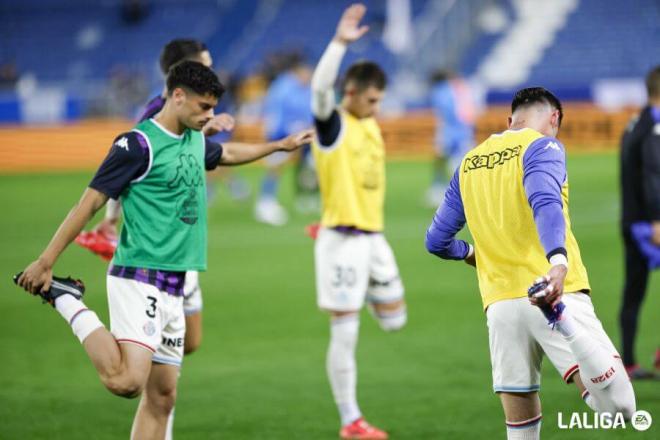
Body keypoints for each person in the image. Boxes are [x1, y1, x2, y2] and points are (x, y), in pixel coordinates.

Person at [16, 61, 313, 439]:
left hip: (175, 284)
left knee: (163, 399)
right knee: (126, 382)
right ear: (177, 96)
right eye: (204, 107)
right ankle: (66, 298)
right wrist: (45, 262)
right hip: (139, 275)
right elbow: (86, 205)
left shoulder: (192, 138)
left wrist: (278, 145)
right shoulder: (136, 145)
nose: (210, 115)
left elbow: (225, 155)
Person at [426, 87, 636, 439]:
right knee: (621, 410)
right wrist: (557, 262)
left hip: (500, 306)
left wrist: (471, 254)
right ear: (554, 118)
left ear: (510, 121)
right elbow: (545, 201)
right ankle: (564, 322)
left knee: (520, 428)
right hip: (553, 291)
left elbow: (436, 241)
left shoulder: (469, 162)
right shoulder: (544, 146)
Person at [86, 38, 237, 359]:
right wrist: (111, 219)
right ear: (182, 73)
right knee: (157, 358)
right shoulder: (155, 117)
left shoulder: (190, 112)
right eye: (205, 64)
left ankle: (157, 400)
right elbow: (127, 169)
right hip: (164, 247)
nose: (211, 69)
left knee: (189, 344)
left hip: (184, 239)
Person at [311, 4, 406, 439]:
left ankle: (360, 287)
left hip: (373, 241)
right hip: (344, 242)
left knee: (394, 319)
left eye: (378, 101)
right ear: (350, 93)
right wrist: (339, 43)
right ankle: (351, 420)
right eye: (370, 99)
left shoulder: (370, 124)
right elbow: (318, 89)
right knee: (345, 332)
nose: (375, 107)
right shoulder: (335, 126)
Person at [619, 64, 660, 379]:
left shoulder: (634, 122)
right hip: (649, 223)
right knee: (635, 290)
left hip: (630, 220)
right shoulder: (655, 127)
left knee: (634, 291)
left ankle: (629, 362)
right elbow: (653, 174)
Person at [255, 53, 313, 226]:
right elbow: (275, 113)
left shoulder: (305, 88)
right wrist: (281, 132)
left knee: (306, 166)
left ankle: (305, 197)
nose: (308, 76)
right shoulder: (283, 87)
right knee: (275, 168)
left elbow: (307, 110)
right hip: (280, 134)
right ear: (298, 71)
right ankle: (265, 204)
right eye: (306, 72)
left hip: (301, 133)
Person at [425, 69, 476, 207]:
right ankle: (464, 193)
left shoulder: (440, 92)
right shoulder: (460, 89)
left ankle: (438, 190)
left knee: (442, 161)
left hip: (449, 131)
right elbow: (468, 112)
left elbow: (447, 113)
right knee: (462, 164)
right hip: (464, 131)